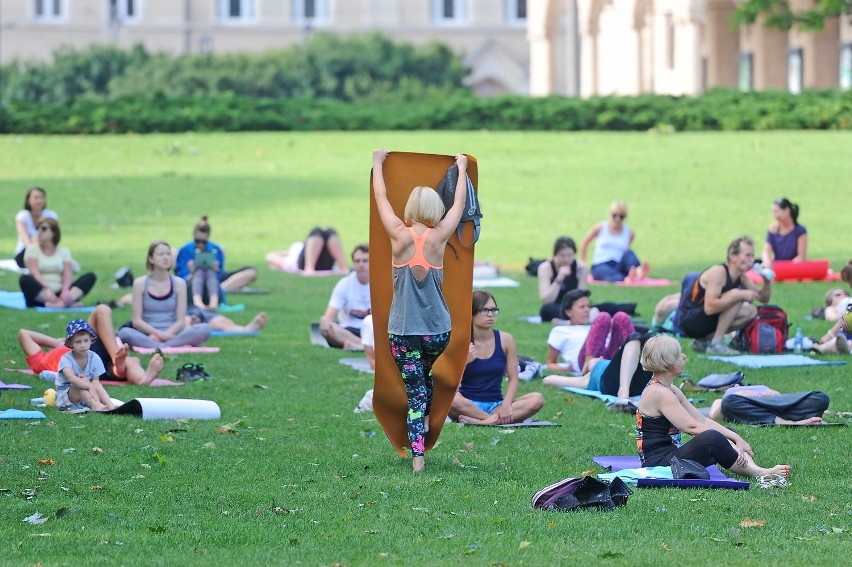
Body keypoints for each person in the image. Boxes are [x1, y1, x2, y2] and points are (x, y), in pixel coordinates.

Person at [372, 148, 468, 473]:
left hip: (403, 333)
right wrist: (463, 168)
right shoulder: (440, 237)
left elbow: (382, 199)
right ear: (434, 210)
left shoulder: (398, 235)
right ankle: (426, 416)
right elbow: (458, 206)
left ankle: (418, 459)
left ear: (412, 209)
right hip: (437, 331)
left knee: (414, 391)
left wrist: (377, 162)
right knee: (424, 377)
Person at [636, 335, 791, 480]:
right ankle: (760, 473)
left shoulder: (672, 389)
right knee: (714, 438)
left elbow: (701, 419)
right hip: (658, 463)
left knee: (728, 432)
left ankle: (755, 469)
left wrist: (736, 438)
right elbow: (692, 427)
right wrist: (729, 442)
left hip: (672, 452)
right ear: (667, 362)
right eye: (678, 355)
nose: (684, 356)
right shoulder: (658, 393)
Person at [449, 291, 545, 425]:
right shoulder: (461, 342)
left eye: (494, 310)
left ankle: (483, 421)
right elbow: (450, 385)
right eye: (484, 310)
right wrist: (464, 362)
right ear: (471, 313)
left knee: (537, 399)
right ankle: (490, 420)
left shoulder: (506, 340)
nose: (490, 315)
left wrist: (506, 404)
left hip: (497, 406)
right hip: (467, 405)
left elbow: (513, 378)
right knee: (450, 400)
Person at [19, 304, 166, 386]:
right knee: (102, 310)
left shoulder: (45, 361)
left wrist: (61, 343)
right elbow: (24, 334)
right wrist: (57, 342)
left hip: (87, 346)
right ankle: (119, 363)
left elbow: (24, 334)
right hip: (80, 356)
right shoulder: (39, 364)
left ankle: (138, 376)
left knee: (128, 362)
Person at [676, 236, 772, 355]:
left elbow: (763, 299)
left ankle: (705, 340)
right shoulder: (718, 272)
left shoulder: (741, 276)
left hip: (704, 319)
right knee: (737, 295)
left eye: (752, 255)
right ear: (733, 256)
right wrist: (740, 294)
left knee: (751, 311)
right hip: (689, 321)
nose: (751, 260)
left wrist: (766, 281)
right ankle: (716, 344)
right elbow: (710, 308)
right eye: (747, 255)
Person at [118, 241, 212, 349]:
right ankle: (163, 345)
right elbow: (137, 321)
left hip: (173, 334)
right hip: (147, 335)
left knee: (205, 329)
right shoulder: (140, 284)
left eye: (168, 254)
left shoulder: (179, 283)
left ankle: (160, 346)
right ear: (151, 259)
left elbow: (181, 321)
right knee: (125, 333)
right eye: (161, 254)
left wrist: (166, 335)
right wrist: (158, 334)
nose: (166, 257)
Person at [543, 331, 653, 403]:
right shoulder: (586, 379)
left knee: (651, 339)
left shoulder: (619, 364)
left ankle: (625, 391)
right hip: (615, 385)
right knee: (634, 337)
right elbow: (548, 380)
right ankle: (623, 393)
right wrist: (569, 369)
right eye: (594, 360)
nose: (599, 357)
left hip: (638, 383)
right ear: (588, 369)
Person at [545, 289, 634, 375]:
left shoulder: (593, 326)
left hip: (608, 357)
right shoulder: (560, 331)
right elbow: (550, 363)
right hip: (583, 362)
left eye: (588, 306)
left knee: (621, 317)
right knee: (603, 317)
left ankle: (637, 359)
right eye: (582, 307)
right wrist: (566, 369)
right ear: (568, 312)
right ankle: (589, 365)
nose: (587, 310)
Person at [174, 215, 259, 300]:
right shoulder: (184, 250)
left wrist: (216, 270)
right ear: (193, 235)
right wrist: (191, 272)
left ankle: (221, 289)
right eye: (197, 241)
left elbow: (219, 274)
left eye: (203, 242)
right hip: (192, 280)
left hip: (213, 279)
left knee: (251, 272)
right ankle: (221, 290)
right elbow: (181, 278)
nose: (200, 244)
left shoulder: (216, 249)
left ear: (208, 237)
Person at [18, 218, 96, 308]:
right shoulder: (32, 250)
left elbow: (68, 273)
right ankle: (64, 304)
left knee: (90, 276)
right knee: (25, 279)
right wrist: (47, 288)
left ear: (54, 232)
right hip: (42, 292)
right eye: (37, 228)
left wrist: (65, 290)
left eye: (44, 229)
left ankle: (61, 303)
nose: (39, 231)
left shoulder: (64, 251)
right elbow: (35, 273)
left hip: (61, 292)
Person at [56, 319, 116, 412]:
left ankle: (110, 405)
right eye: (78, 342)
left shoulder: (94, 357)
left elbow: (96, 382)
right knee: (81, 386)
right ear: (70, 343)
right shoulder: (66, 359)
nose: (83, 345)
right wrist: (89, 386)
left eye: (86, 340)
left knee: (96, 384)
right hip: (66, 397)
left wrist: (91, 385)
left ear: (91, 340)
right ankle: (96, 405)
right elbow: (71, 378)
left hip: (87, 394)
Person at [318, 244, 371, 349]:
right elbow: (329, 316)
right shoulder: (344, 284)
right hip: (349, 331)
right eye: (357, 261)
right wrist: (325, 321)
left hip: (372, 331)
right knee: (327, 327)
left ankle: (359, 346)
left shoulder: (382, 284)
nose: (361, 264)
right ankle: (364, 346)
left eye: (365, 261)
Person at [580, 200, 647, 282]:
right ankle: (626, 278)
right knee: (604, 272)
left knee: (629, 253)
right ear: (610, 214)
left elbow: (626, 249)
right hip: (601, 263)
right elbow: (584, 243)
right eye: (614, 215)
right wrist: (583, 265)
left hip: (619, 263)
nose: (617, 219)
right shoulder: (600, 228)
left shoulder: (629, 232)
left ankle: (638, 271)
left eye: (621, 216)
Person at [708, 385, 828, 426]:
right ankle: (788, 422)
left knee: (821, 397)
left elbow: (783, 399)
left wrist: (776, 396)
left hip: (776, 404)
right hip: (745, 407)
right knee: (729, 402)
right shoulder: (731, 393)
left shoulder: (761, 387)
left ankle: (788, 417)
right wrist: (740, 395)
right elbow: (714, 414)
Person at [538, 236, 587, 322]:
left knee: (606, 307)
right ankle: (571, 319)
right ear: (555, 255)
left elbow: (582, 297)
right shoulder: (545, 268)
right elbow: (546, 300)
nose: (566, 259)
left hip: (575, 308)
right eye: (562, 256)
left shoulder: (580, 268)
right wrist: (559, 278)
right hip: (556, 306)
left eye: (569, 255)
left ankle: (568, 320)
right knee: (546, 309)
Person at [14, 186, 59, 268]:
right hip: (26, 253)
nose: (39, 201)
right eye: (36, 197)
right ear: (28, 200)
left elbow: (55, 238)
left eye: (41, 197)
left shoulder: (51, 216)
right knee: (36, 238)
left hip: (47, 251)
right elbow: (26, 242)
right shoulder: (23, 217)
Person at [761, 197, 807, 267]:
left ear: (787, 210)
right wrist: (767, 261)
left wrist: (787, 267)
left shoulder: (800, 231)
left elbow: (801, 257)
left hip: (794, 267)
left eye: (777, 211)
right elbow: (766, 251)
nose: (775, 215)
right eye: (773, 212)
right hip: (777, 266)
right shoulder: (773, 229)